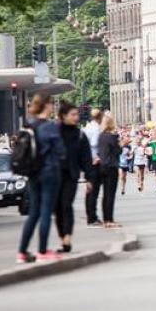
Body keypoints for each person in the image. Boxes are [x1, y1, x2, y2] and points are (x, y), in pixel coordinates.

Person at [17, 93, 63, 263]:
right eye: (51, 104)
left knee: (33, 213)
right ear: (47, 105)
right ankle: (42, 250)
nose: (52, 107)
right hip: (49, 171)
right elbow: (61, 150)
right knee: (45, 212)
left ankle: (22, 251)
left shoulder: (29, 125)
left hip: (32, 173)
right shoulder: (49, 127)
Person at [54, 102, 93, 253]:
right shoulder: (54, 132)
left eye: (77, 114)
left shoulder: (79, 134)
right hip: (55, 175)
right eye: (73, 114)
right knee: (57, 207)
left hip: (71, 175)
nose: (76, 117)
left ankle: (67, 238)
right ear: (63, 116)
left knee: (66, 205)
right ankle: (62, 236)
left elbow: (86, 157)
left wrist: (89, 178)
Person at [96, 113, 123, 228]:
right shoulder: (113, 136)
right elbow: (117, 152)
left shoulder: (101, 136)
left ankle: (105, 219)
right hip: (111, 166)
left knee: (105, 194)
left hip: (102, 166)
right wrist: (121, 145)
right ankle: (109, 219)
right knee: (110, 194)